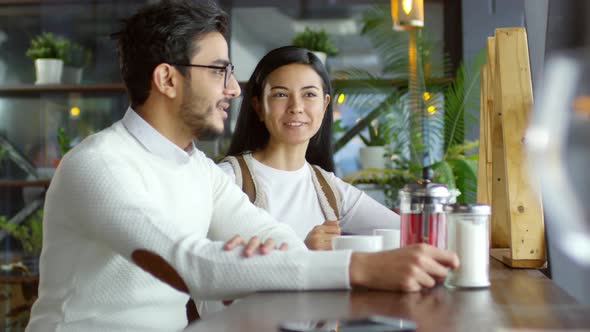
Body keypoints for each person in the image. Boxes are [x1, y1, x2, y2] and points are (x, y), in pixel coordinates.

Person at [26, 1, 459, 331]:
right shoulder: (98, 165)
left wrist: (269, 255)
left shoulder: (199, 170)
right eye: (219, 71)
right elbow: (190, 265)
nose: (233, 88)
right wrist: (358, 267)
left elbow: (276, 237)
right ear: (167, 79)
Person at [221, 46, 399, 250]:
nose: (296, 106)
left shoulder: (330, 190)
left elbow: (406, 234)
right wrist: (304, 250)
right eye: (280, 94)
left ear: (324, 106)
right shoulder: (226, 180)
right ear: (258, 106)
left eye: (309, 94)